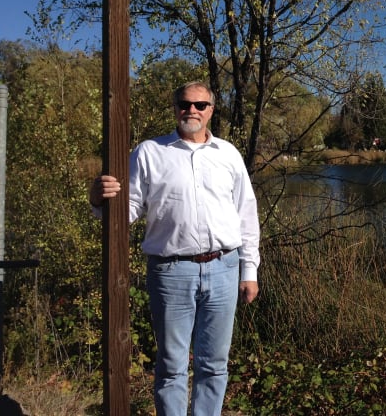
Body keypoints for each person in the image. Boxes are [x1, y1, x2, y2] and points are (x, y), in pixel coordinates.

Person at [90, 81, 260, 416]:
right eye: (184, 104)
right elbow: (127, 212)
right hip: (171, 272)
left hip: (224, 268)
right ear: (175, 107)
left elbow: (247, 214)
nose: (191, 111)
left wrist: (249, 270)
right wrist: (99, 199)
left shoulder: (228, 154)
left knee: (214, 364)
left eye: (200, 105)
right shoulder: (149, 153)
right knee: (171, 366)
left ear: (211, 110)